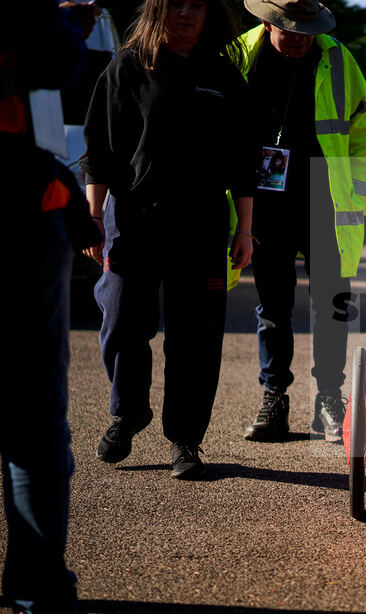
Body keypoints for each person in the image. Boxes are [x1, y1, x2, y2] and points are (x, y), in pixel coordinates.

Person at [80, 0, 258, 479]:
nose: (185, 13)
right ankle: (129, 412)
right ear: (158, 9)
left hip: (201, 223)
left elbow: (245, 161)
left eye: (195, 4)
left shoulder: (223, 76)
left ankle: (185, 440)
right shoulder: (128, 67)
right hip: (132, 219)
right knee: (121, 323)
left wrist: (245, 228)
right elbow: (99, 148)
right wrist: (93, 218)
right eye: (175, 3)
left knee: (194, 337)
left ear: (209, 13)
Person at [238, 0, 366, 442]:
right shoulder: (238, 56)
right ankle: (274, 398)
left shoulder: (337, 57)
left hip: (327, 204)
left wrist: (357, 197)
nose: (301, 36)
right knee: (273, 307)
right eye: (289, 28)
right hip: (262, 204)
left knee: (332, 306)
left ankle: (329, 399)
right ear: (267, 22)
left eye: (307, 28)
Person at [0, 2, 98, 611]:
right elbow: (56, 62)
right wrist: (68, 25)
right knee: (33, 423)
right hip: (15, 215)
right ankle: (38, 589)